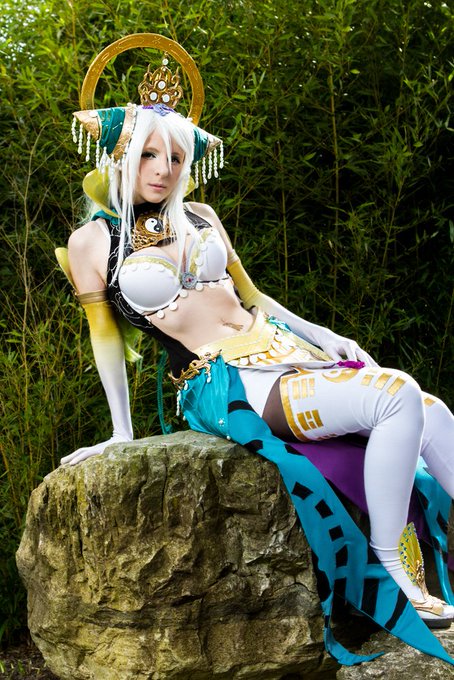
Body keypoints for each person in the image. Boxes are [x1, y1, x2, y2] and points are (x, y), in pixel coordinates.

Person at [57, 38, 454, 667]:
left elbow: (254, 297)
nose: (163, 168)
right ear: (119, 155)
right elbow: (104, 337)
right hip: (225, 381)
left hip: (282, 351)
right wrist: (120, 433)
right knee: (397, 394)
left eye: (176, 156)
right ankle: (391, 571)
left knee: (434, 412)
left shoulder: (202, 216)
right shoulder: (92, 241)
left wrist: (323, 334)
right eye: (148, 154)